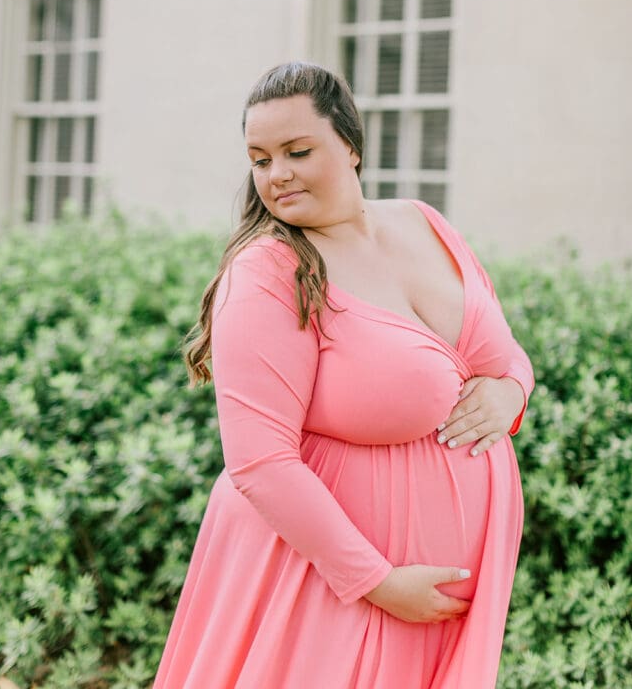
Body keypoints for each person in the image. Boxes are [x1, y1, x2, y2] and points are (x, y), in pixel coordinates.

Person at [153, 61, 534, 689]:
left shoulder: (425, 223)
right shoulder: (271, 272)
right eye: (260, 159)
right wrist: (377, 582)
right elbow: (259, 462)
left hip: (437, 596)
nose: (277, 175)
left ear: (351, 145)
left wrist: (513, 388)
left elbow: (502, 350)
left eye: (297, 151)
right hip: (329, 586)